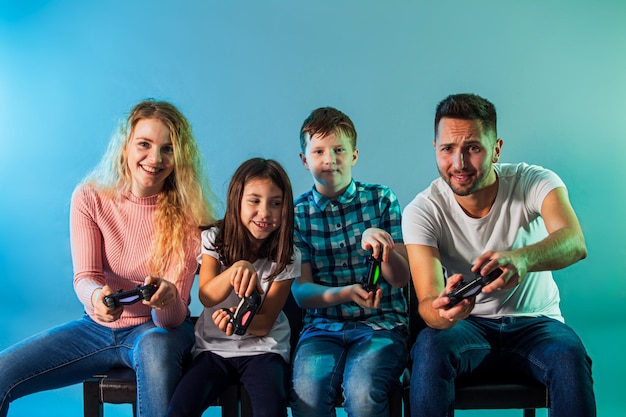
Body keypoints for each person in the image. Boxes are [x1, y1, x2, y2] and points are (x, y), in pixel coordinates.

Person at [0, 99, 217, 417]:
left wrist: (168, 297)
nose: (154, 159)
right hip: (96, 328)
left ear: (180, 157)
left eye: (168, 149)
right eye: (144, 144)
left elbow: (169, 320)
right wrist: (96, 296)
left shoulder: (188, 215)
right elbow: (85, 276)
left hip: (157, 331)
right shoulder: (89, 197)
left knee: (156, 346)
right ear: (125, 146)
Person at [402, 93, 596, 417]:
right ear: (435, 148)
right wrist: (446, 312)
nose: (459, 163)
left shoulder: (533, 180)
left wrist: (522, 259)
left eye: (473, 148)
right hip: (468, 328)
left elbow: (574, 241)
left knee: (569, 354)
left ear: (496, 149)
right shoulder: (422, 210)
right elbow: (427, 305)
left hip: (536, 323)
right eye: (448, 149)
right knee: (429, 346)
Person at [290, 107, 410, 417]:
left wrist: (382, 246)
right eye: (318, 151)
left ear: (354, 155)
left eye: (339, 150)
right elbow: (302, 294)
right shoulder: (297, 214)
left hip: (381, 324)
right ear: (305, 160)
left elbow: (400, 279)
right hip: (321, 328)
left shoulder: (382, 199)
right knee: (306, 396)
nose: (329, 158)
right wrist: (346, 293)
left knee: (362, 392)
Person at [166, 157, 301, 417]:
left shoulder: (289, 255)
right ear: (236, 200)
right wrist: (236, 269)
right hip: (212, 350)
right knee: (178, 409)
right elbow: (206, 295)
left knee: (271, 411)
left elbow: (263, 323)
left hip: (264, 349)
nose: (264, 213)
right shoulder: (213, 239)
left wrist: (237, 322)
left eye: (275, 203)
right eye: (254, 200)